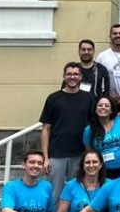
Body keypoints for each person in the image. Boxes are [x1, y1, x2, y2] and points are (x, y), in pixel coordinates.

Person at [39, 63, 95, 200]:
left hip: (80, 153)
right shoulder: (53, 99)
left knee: (76, 194)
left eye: (76, 74)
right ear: (64, 76)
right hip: (57, 153)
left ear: (81, 77)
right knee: (54, 194)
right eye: (69, 74)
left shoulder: (89, 98)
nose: (72, 77)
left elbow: (94, 127)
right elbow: (46, 129)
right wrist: (45, 158)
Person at [84, 94, 120, 179]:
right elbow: (89, 152)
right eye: (100, 105)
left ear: (111, 110)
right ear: (95, 109)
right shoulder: (89, 130)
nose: (103, 107)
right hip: (103, 171)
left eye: (106, 106)